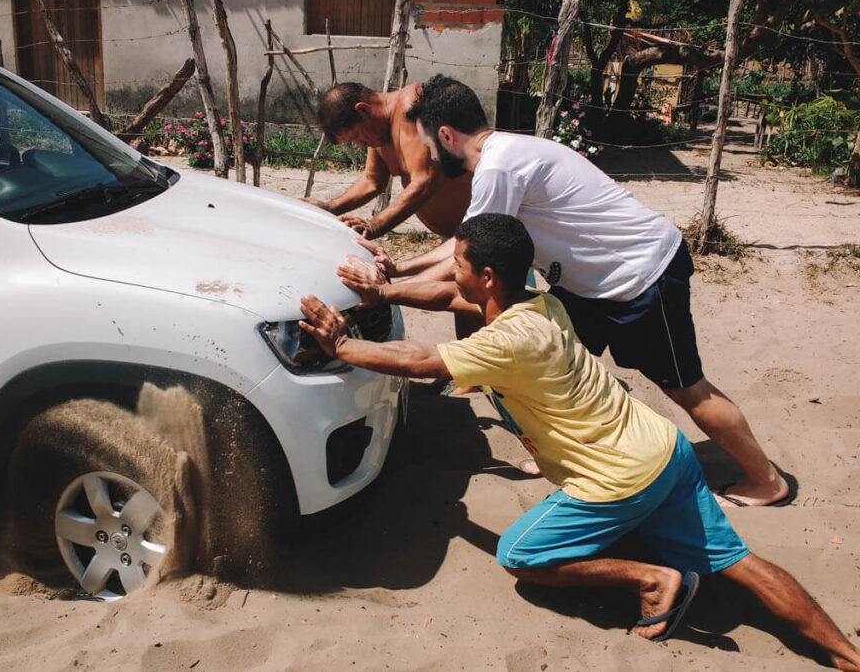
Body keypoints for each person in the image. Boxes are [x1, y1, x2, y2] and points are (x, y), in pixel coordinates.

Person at [298, 214, 860, 668]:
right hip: (665, 450)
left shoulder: (506, 341)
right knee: (740, 562)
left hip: (617, 478)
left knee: (521, 554)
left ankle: (652, 577)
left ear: (487, 275)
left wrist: (343, 346)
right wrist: (387, 296)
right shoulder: (541, 302)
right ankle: (846, 653)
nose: (453, 272)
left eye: (459, 263)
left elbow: (422, 361)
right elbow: (450, 299)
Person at [362, 74, 790, 508]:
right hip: (588, 285)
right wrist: (400, 268)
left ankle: (765, 479)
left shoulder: (498, 167)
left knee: (686, 389)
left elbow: (469, 253)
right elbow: (467, 243)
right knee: (556, 367)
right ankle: (576, 457)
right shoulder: (504, 152)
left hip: (641, 275)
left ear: (447, 135)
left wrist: (394, 281)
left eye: (430, 146)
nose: (430, 157)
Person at [305, 82, 471, 240]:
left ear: (363, 110)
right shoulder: (378, 132)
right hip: (456, 237)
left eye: (356, 136)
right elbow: (372, 181)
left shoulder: (413, 106)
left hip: (483, 232)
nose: (360, 145)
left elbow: (425, 180)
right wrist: (329, 208)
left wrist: (375, 226)